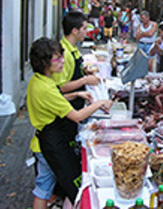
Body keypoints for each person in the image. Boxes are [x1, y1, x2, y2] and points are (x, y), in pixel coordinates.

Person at [28, 37, 112, 207]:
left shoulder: (38, 81)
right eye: (57, 58)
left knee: (48, 185)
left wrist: (76, 94)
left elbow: (54, 99)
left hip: (47, 141)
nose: (62, 61)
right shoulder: (46, 88)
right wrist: (99, 103)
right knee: (44, 189)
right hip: (48, 146)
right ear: (44, 62)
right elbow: (77, 116)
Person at [52, 12, 100, 111]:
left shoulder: (73, 48)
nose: (87, 32)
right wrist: (85, 80)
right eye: (84, 28)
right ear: (74, 31)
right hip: (66, 108)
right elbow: (62, 87)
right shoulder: (63, 53)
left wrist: (85, 71)